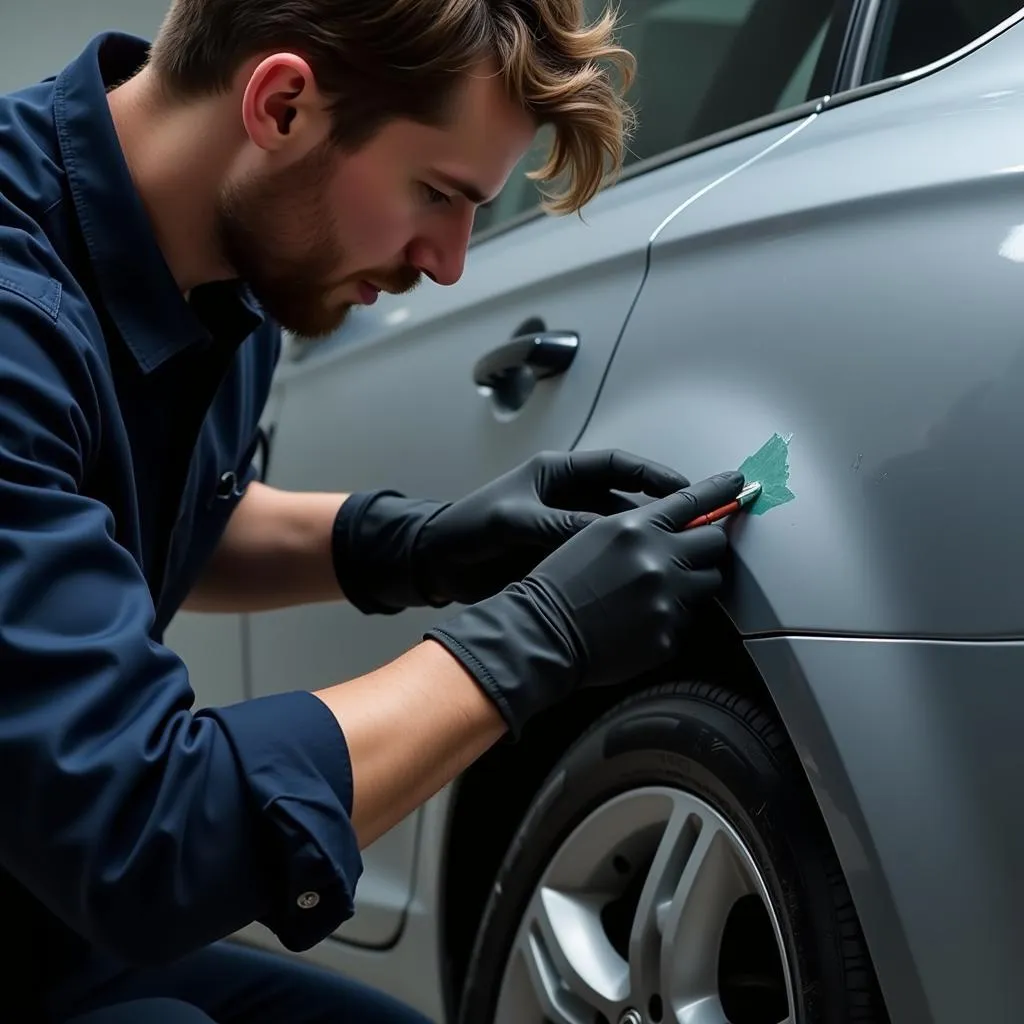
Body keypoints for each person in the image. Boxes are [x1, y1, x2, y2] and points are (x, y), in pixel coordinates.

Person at [0, 1, 746, 1021]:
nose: (446, 262)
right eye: (436, 193)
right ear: (284, 104)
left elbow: (152, 519)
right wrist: (529, 640)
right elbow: (140, 833)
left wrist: (415, 544)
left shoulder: (226, 265)